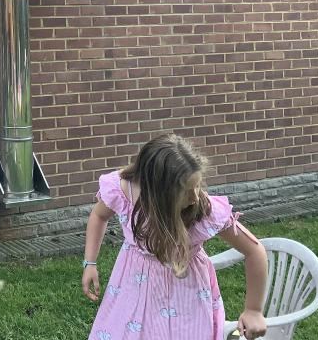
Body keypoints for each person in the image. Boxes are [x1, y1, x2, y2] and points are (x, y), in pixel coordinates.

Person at [82, 134, 268, 340]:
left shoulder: (202, 209)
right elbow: (99, 215)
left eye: (197, 186)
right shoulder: (124, 192)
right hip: (134, 286)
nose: (195, 197)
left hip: (186, 296)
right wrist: (90, 262)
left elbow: (254, 251)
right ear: (158, 192)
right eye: (186, 191)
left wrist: (254, 310)